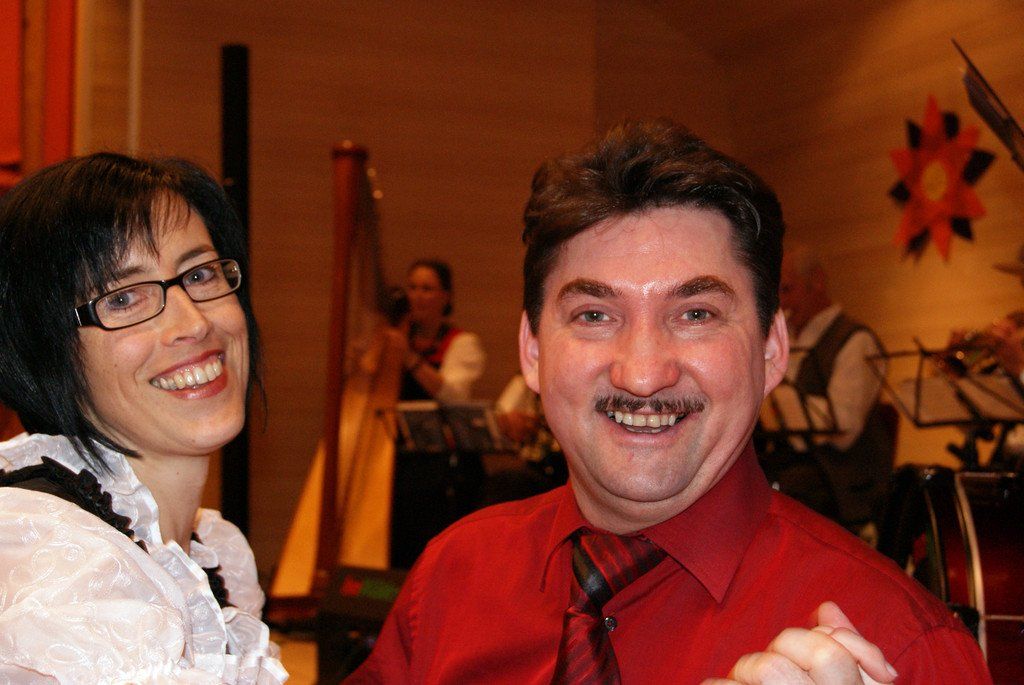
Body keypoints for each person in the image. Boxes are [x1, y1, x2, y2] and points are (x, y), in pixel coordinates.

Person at [347, 120, 991, 683]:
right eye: (595, 314)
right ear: (533, 349)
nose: (643, 374)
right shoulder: (450, 579)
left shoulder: (904, 648)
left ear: (772, 349)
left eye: (695, 314)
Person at [0, 153, 287, 683]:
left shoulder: (212, 552)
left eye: (199, 274)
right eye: (124, 298)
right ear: (44, 351)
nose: (193, 323)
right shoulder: (60, 561)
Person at [759, 242, 893, 537]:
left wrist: (786, 402)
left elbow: (844, 431)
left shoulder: (856, 341)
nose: (780, 303)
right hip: (798, 467)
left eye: (787, 290)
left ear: (817, 282)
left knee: (774, 492)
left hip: (842, 479)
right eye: (775, 293)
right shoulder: (784, 339)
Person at [387, 259, 486, 568]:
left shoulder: (462, 343)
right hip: (399, 460)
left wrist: (409, 358)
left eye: (427, 289)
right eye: (412, 287)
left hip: (444, 466)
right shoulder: (392, 340)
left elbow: (454, 395)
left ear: (446, 297)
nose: (417, 296)